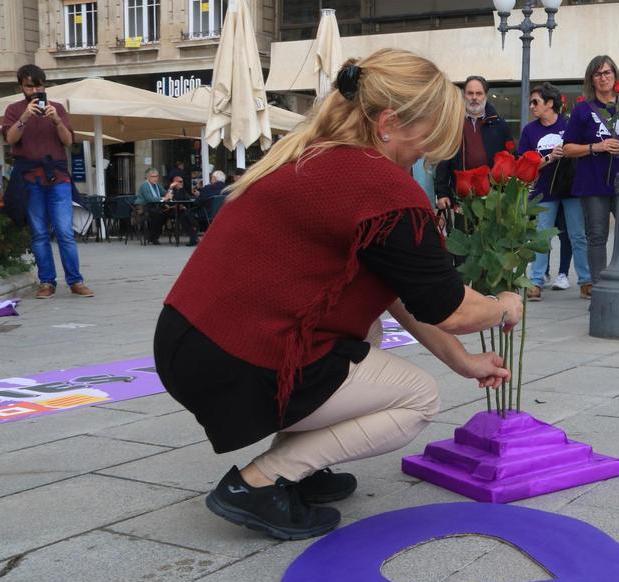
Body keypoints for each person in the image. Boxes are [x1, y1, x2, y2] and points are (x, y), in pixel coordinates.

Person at [153, 49, 524, 540]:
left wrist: (463, 362)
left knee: (365, 327)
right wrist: (503, 305)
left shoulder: (313, 154)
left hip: (190, 341)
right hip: (238, 360)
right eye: (429, 136)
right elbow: (450, 308)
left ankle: (299, 469)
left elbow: (400, 294)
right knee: (418, 398)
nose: (429, 152)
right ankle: (261, 482)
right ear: (389, 122)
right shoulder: (383, 187)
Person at [0, 64, 94, 299]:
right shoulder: (14, 110)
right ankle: (47, 282)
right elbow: (10, 138)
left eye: (38, 85)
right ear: (22, 86)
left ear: (44, 85)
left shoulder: (58, 108)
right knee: (39, 233)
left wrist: (57, 121)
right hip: (30, 180)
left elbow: (68, 142)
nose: (34, 90)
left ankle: (75, 281)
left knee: (64, 232)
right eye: (30, 86)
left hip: (58, 178)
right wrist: (24, 116)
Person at [516, 82, 591, 301]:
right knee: (541, 235)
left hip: (571, 188)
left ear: (550, 103)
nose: (531, 106)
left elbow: (581, 152)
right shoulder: (530, 130)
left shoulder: (569, 126)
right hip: (543, 190)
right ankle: (536, 281)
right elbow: (524, 165)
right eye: (531, 102)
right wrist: (549, 158)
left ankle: (586, 281)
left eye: (535, 102)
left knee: (578, 234)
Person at [562, 55, 619, 298]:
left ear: (615, 76)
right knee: (597, 236)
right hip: (593, 182)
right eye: (598, 74)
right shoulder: (582, 110)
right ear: (591, 79)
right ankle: (599, 288)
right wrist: (595, 147)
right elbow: (567, 148)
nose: (604, 78)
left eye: (607, 72)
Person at [434, 76, 512, 213]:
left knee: (489, 234)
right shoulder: (452, 123)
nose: (474, 97)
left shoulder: (499, 125)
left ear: (485, 96)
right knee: (462, 233)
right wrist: (442, 193)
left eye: (478, 93)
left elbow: (509, 159)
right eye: (470, 93)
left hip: (492, 197)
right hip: (461, 195)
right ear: (464, 96)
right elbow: (443, 159)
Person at [134, 167, 175, 245]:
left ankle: (153, 236)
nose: (155, 178)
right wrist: (164, 198)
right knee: (158, 214)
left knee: (165, 214)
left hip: (154, 206)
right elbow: (149, 199)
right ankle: (153, 237)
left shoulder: (157, 185)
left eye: (156, 176)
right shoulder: (145, 185)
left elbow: (164, 193)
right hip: (143, 207)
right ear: (147, 177)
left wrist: (170, 191)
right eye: (153, 176)